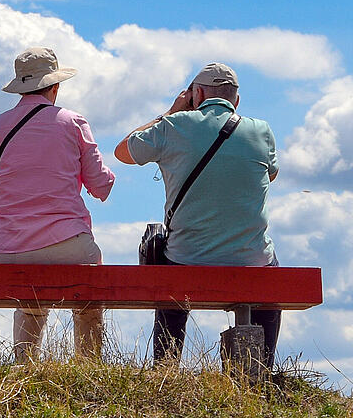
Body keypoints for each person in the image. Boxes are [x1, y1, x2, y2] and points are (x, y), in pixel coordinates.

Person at [113, 62, 280, 367]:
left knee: (165, 258)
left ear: (196, 94)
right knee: (270, 268)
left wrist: (171, 112)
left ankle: (165, 367)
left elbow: (123, 151)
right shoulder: (261, 130)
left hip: (187, 258)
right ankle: (261, 370)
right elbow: (270, 175)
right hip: (250, 260)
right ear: (236, 100)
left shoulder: (173, 126)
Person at [0, 47, 115, 363]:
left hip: (5, 250)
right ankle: (89, 366)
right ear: (55, 86)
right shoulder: (72, 121)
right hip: (66, 244)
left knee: (30, 299)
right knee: (90, 295)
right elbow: (101, 186)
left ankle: (25, 367)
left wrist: (14, 212)